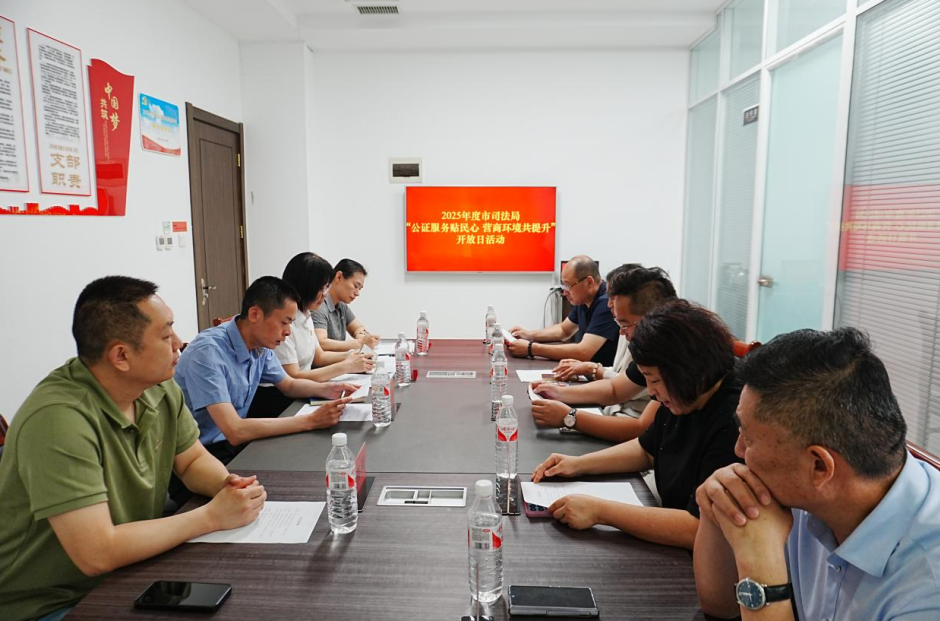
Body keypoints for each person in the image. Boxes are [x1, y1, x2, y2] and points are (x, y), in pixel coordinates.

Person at [0, 277, 266, 621]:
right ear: (121, 356)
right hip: (49, 602)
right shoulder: (57, 419)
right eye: (166, 335)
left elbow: (191, 460)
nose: (179, 343)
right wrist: (212, 516)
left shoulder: (158, 387)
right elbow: (96, 552)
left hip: (130, 570)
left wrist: (227, 486)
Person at [693, 328, 940, 620]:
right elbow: (719, 606)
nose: (738, 449)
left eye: (748, 436)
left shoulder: (928, 586)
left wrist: (760, 561)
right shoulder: (810, 491)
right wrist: (716, 512)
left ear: (819, 466)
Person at [531, 300, 742, 550]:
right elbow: (646, 449)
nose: (651, 392)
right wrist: (577, 464)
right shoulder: (684, 396)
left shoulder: (735, 421)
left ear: (690, 371)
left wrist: (601, 512)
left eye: (654, 380)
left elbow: (699, 529)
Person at [173, 276, 356, 472]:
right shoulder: (209, 352)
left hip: (234, 444)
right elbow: (234, 430)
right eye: (284, 322)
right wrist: (310, 421)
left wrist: (330, 389)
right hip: (200, 455)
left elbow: (289, 385)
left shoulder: (260, 345)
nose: (288, 332)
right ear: (255, 314)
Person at [530, 266, 676, 442]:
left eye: (624, 324)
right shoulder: (649, 345)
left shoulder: (673, 353)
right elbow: (615, 389)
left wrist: (570, 417)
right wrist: (558, 393)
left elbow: (640, 430)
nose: (620, 332)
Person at [249, 253, 374, 418]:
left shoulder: (306, 314)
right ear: (305, 286)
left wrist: (351, 357)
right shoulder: (282, 322)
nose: (325, 294)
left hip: (303, 390)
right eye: (322, 288)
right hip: (279, 400)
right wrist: (346, 366)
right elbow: (292, 377)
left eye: (327, 287)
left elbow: (318, 356)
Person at [508, 255, 620, 365]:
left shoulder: (606, 304)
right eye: (563, 286)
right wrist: (528, 335)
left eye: (568, 286)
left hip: (603, 373)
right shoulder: (584, 298)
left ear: (589, 282)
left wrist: (531, 348)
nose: (565, 292)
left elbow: (584, 352)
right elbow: (563, 330)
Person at [313, 258, 381, 352]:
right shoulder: (319, 304)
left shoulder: (341, 305)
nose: (357, 293)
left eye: (359, 289)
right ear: (339, 277)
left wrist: (361, 336)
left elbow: (358, 328)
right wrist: (359, 343)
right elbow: (321, 343)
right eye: (355, 286)